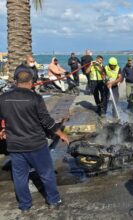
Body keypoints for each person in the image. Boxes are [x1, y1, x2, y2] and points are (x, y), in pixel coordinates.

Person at [0, 71, 69, 212]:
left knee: (19, 177)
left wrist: (2, 130)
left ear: (15, 81)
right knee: (46, 173)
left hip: (15, 145)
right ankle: (54, 200)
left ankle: (25, 206)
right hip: (36, 144)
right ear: (31, 82)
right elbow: (47, 122)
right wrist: (61, 133)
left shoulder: (3, 98)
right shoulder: (35, 98)